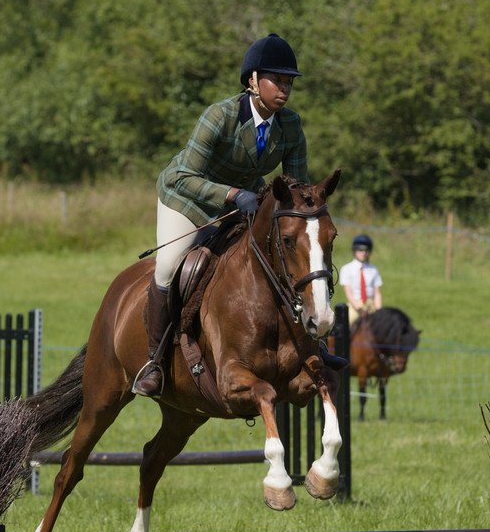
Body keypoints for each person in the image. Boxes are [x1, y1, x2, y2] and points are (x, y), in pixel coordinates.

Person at [134, 33, 345, 397]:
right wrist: (234, 195)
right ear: (252, 81)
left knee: (279, 261)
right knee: (169, 265)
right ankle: (153, 362)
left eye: (289, 82)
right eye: (276, 80)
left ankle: (310, 345)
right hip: (187, 198)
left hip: (245, 202)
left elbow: (296, 186)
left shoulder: (290, 125)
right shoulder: (220, 116)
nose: (285, 88)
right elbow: (185, 177)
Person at [340, 234, 383, 325]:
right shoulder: (346, 269)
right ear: (355, 250)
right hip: (355, 303)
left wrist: (379, 310)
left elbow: (377, 292)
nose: (363, 252)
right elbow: (348, 292)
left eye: (366, 250)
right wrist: (359, 308)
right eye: (360, 250)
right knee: (346, 324)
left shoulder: (373, 269)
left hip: (370, 304)